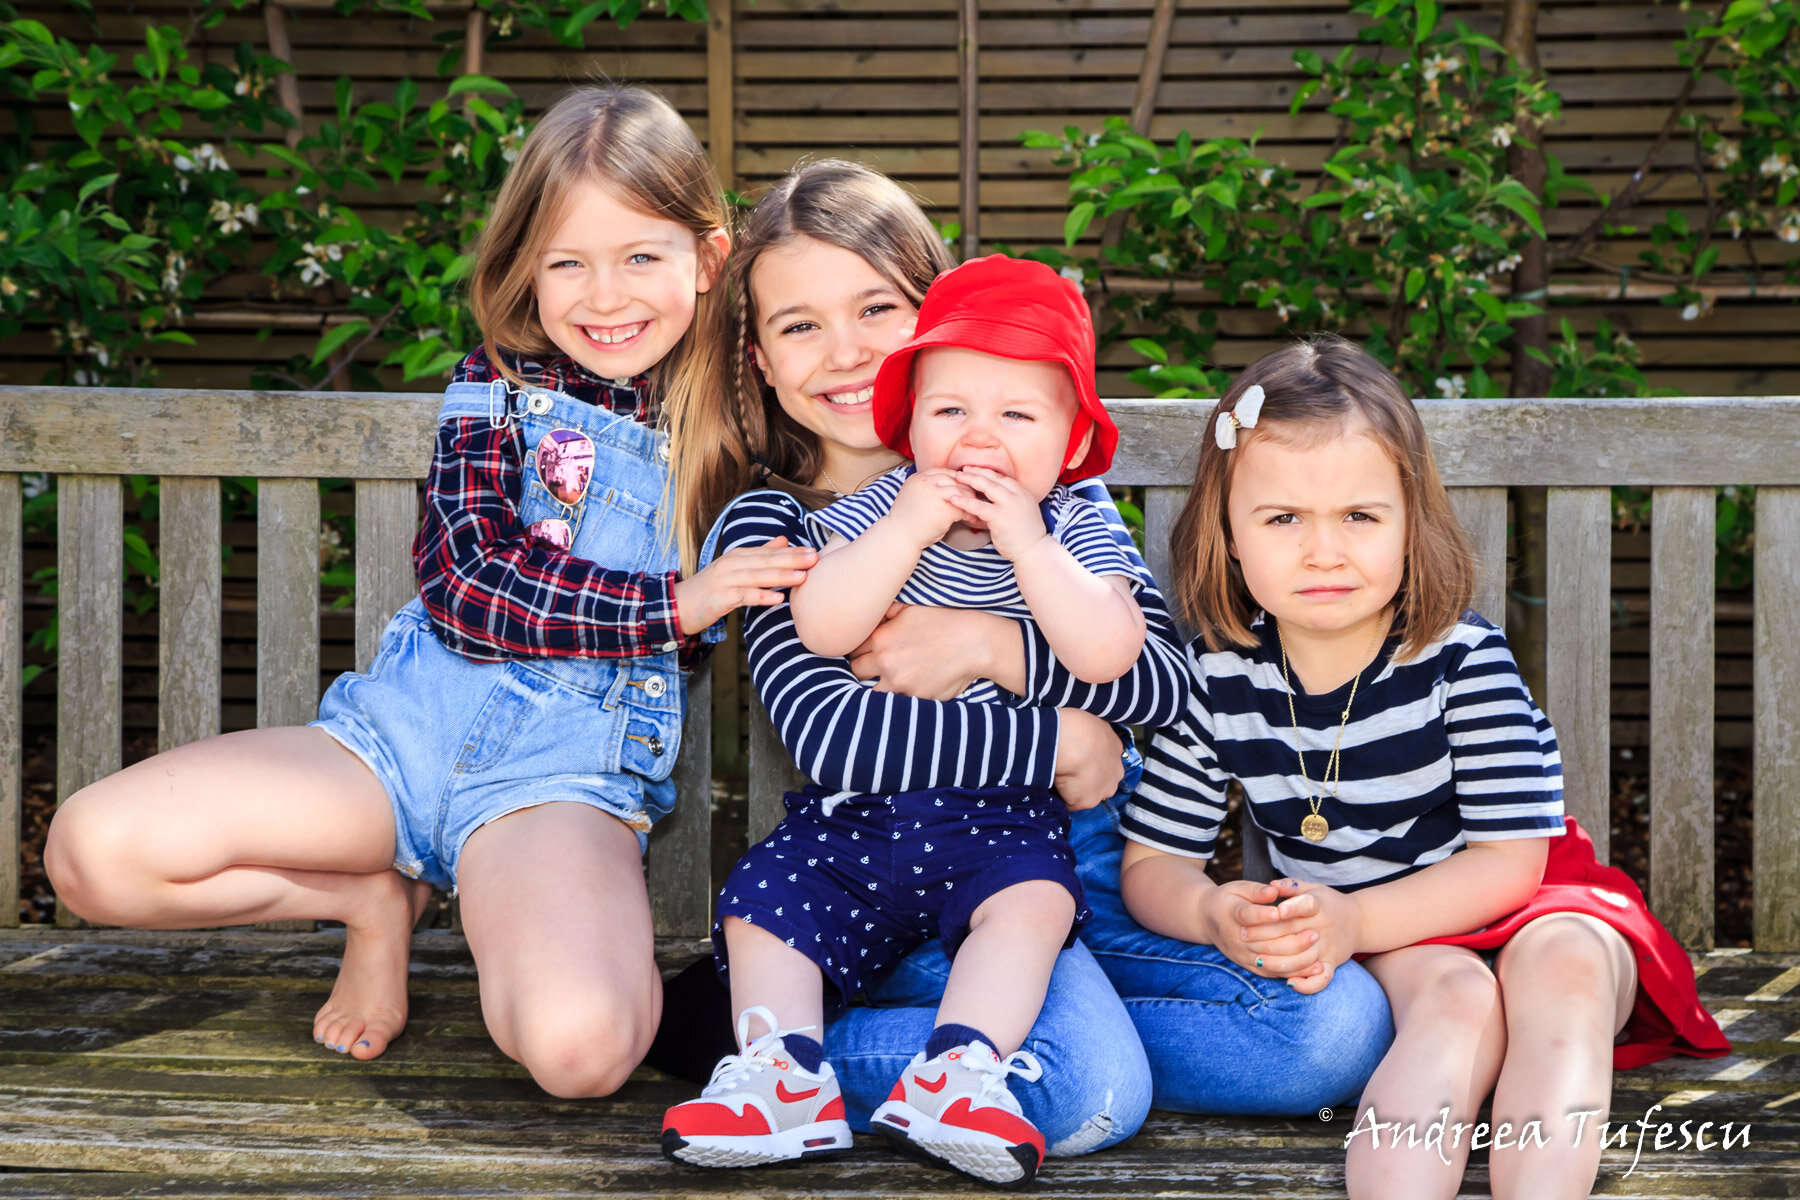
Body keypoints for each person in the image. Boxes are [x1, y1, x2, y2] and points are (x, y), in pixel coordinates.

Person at [41, 85, 817, 1098]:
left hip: (560, 783)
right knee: (92, 856)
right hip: (400, 740)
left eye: (641, 256)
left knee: (582, 1055)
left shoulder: (745, 428)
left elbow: (858, 428)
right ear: (523, 269)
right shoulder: (494, 387)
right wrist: (674, 603)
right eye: (567, 262)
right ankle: (371, 904)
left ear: (707, 261)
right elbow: (464, 584)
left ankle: (464, 913)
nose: (605, 295)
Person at [648, 159, 1391, 1177]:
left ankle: (968, 1053)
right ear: (761, 360)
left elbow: (1167, 683)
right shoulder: (784, 525)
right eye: (799, 326)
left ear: (943, 321)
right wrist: (1058, 739)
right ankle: (775, 1058)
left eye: (877, 309)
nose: (847, 351)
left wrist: (989, 646)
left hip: (1073, 878)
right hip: (900, 895)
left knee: (1337, 1026)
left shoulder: (1056, 501)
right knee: (1088, 1087)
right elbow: (836, 731)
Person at [1117, 335, 1730, 1199]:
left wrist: (1353, 924)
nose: (1323, 550)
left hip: (1526, 894)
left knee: (1560, 968)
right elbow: (1152, 867)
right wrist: (1214, 912)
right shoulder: (1216, 672)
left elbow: (1510, 861)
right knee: (1454, 998)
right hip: (1398, 935)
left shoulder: (1457, 659)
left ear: (1410, 522)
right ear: (1228, 533)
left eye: (1359, 517)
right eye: (1283, 518)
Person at [667, 255, 1151, 1186]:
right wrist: (903, 531)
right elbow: (825, 627)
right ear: (913, 420)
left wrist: (1020, 554)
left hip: (1000, 824)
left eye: (1017, 417)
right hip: (854, 821)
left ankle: (959, 1068)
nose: (980, 441)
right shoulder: (868, 510)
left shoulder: (1071, 527)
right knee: (770, 901)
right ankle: (777, 1072)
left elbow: (1116, 659)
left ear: (1070, 443)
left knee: (1033, 906)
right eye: (951, 413)